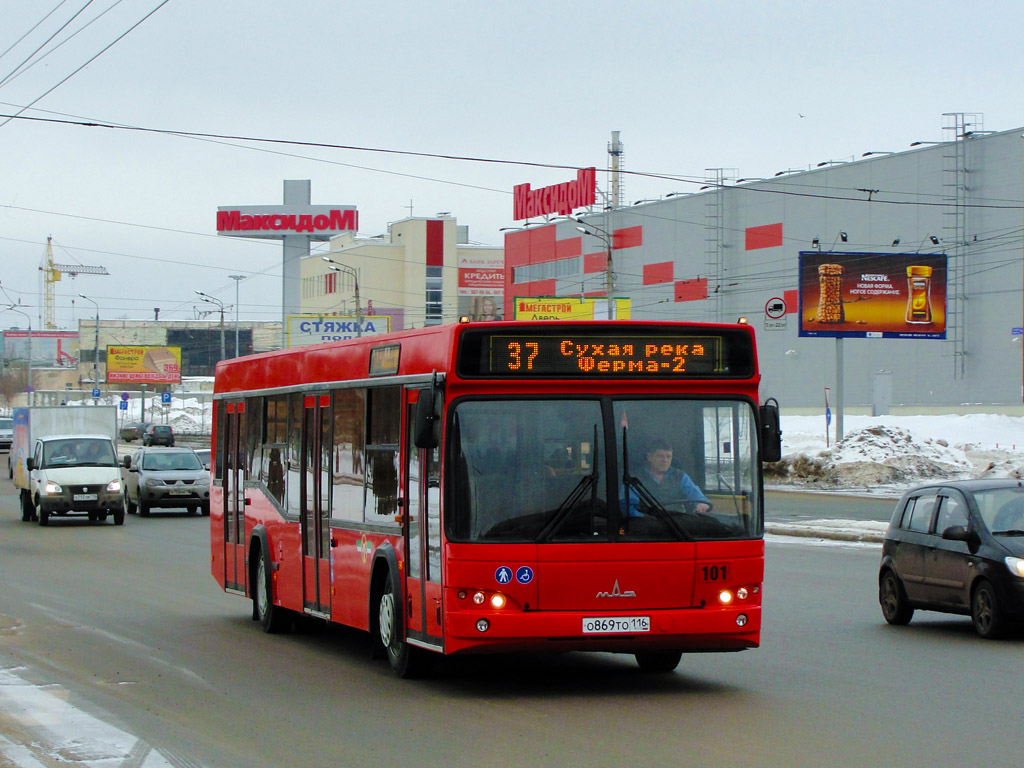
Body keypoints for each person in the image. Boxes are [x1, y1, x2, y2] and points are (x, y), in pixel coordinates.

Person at [633, 437, 711, 514]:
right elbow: (629, 506)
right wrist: (640, 518)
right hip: (648, 522)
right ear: (649, 457)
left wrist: (702, 504)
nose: (665, 460)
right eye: (660, 456)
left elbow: (695, 494)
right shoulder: (635, 479)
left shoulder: (680, 476)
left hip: (676, 522)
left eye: (668, 457)